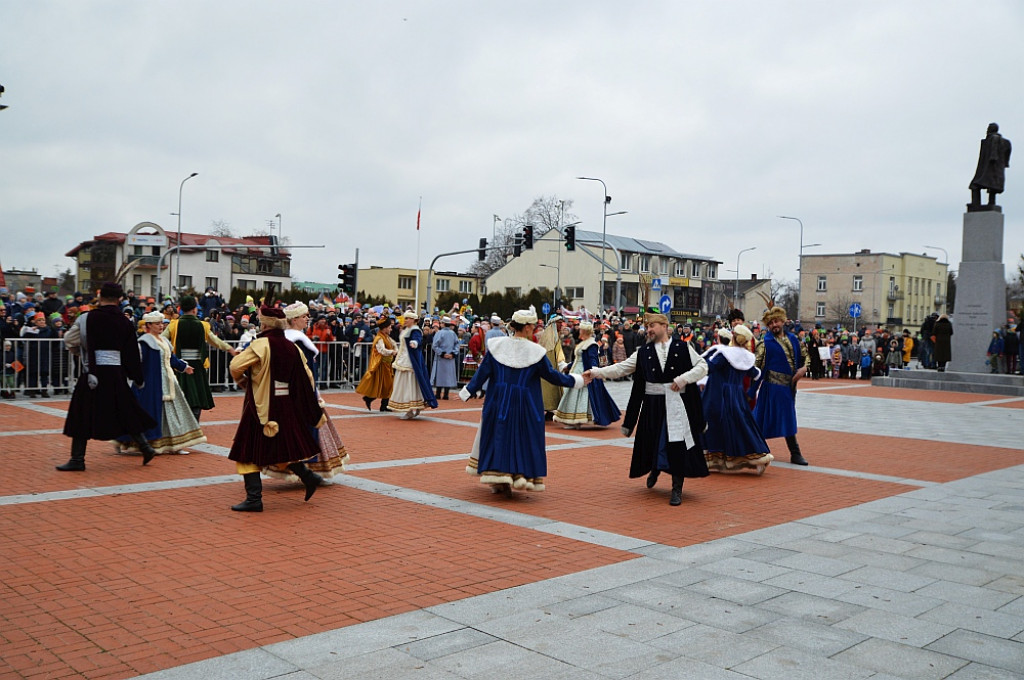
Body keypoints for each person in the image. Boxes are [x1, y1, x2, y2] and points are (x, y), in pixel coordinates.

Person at [585, 312, 709, 506]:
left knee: (677, 446)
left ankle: (676, 488)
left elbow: (702, 366)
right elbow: (622, 368)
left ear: (664, 326)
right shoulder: (643, 352)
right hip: (652, 406)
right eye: (647, 327)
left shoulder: (683, 347)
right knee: (652, 441)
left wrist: (684, 378)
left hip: (676, 405)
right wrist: (596, 372)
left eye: (652, 326)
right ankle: (655, 468)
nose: (648, 330)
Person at [461, 308, 585, 496]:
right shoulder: (535, 352)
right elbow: (552, 376)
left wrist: (467, 391)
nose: (535, 329)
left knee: (499, 435)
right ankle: (518, 475)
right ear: (526, 328)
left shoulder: (496, 346)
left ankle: (498, 478)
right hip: (525, 403)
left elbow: (483, 372)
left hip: (498, 400)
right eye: (533, 326)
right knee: (522, 438)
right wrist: (577, 380)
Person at [227, 306, 326, 512]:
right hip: (286, 405)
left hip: (262, 405)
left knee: (246, 451)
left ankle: (254, 499)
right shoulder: (293, 347)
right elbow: (307, 376)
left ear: (265, 324)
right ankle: (309, 476)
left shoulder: (261, 344)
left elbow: (236, 366)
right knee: (281, 447)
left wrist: (244, 382)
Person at [57, 282, 159, 471]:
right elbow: (133, 353)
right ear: (120, 299)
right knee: (125, 411)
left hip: (93, 373)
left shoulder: (86, 318)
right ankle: (145, 447)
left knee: (82, 414)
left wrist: (82, 353)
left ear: (100, 297)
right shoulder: (125, 322)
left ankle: (77, 459)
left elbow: (69, 340)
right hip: (116, 374)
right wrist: (137, 377)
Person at [262, 302, 349, 482]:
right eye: (304, 316)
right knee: (307, 432)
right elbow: (305, 371)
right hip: (301, 393)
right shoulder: (298, 340)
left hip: (288, 393)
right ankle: (309, 474)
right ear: (294, 320)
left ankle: (304, 472)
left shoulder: (283, 338)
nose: (307, 319)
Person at [116, 311, 206, 456]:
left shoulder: (164, 341)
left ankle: (176, 445)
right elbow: (136, 362)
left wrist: (184, 367)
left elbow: (171, 358)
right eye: (157, 324)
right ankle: (142, 443)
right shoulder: (144, 342)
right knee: (148, 412)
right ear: (149, 325)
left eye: (162, 323)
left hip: (168, 380)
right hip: (151, 382)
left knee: (174, 412)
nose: (161, 326)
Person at [702, 325, 773, 475]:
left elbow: (709, 367)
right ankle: (758, 454)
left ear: (733, 337)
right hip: (738, 395)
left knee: (712, 423)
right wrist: (748, 389)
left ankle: (713, 458)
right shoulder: (747, 356)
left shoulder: (724, 354)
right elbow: (757, 374)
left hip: (719, 394)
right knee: (742, 425)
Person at [749, 307, 810, 466]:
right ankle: (794, 453)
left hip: (790, 387)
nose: (774, 325)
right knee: (765, 418)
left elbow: (806, 356)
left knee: (784, 418)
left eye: (776, 321)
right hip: (772, 387)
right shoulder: (765, 343)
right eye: (770, 323)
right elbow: (757, 368)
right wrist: (751, 390)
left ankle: (756, 448)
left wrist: (804, 369)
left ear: (783, 321)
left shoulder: (793, 339)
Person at [163, 295, 238, 422]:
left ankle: (180, 422)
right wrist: (229, 348)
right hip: (197, 365)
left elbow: (162, 340)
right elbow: (214, 341)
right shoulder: (203, 325)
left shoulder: (173, 325)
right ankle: (194, 421)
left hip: (180, 366)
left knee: (180, 395)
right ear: (194, 309)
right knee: (197, 395)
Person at [553, 321, 621, 429]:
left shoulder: (591, 344)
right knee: (573, 394)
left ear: (585, 331)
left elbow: (593, 359)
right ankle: (573, 420)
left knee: (582, 395)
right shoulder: (582, 343)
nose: (579, 331)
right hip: (576, 371)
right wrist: (567, 366)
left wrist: (593, 371)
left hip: (584, 372)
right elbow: (577, 360)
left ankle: (577, 420)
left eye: (581, 330)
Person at [390, 310, 438, 419]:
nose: (405, 320)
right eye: (405, 318)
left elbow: (418, 339)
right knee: (406, 384)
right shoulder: (406, 330)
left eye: (407, 318)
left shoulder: (415, 330)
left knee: (409, 384)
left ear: (413, 320)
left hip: (411, 362)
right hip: (404, 360)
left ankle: (411, 409)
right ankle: (413, 407)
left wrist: (415, 343)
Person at [355, 316, 397, 411]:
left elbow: (394, 344)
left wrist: (396, 350)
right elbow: (381, 350)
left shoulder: (386, 337)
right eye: (389, 327)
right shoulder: (379, 338)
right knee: (384, 385)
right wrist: (392, 352)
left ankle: (378, 403)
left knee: (387, 385)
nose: (391, 329)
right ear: (385, 328)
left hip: (387, 365)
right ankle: (375, 401)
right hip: (381, 365)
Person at [969, 122, 1012, 208]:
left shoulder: (993, 139)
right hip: (995, 170)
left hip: (988, 167)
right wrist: (1005, 163)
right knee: (992, 187)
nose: (987, 130)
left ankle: (976, 204)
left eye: (989, 128)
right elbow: (1008, 151)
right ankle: (991, 203)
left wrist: (993, 158)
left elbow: (993, 153)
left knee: (974, 185)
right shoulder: (1005, 142)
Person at [431, 316, 459, 400]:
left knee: (440, 375)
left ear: (443, 324)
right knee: (448, 375)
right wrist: (453, 353)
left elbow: (435, 345)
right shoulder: (453, 333)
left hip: (441, 358)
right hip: (450, 357)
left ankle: (438, 393)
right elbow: (457, 344)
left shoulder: (439, 333)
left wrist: (442, 353)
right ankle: (446, 394)